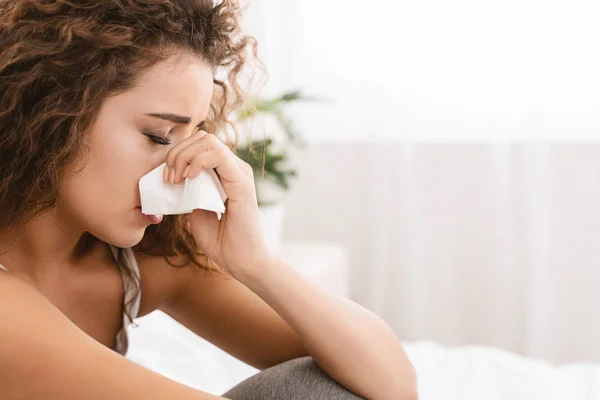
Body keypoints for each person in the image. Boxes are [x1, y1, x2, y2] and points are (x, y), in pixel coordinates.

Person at [0, 1, 417, 399]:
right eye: (158, 136)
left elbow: (393, 387)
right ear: (52, 112)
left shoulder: (141, 265)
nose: (182, 171)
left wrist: (257, 264)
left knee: (327, 388)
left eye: (195, 136)